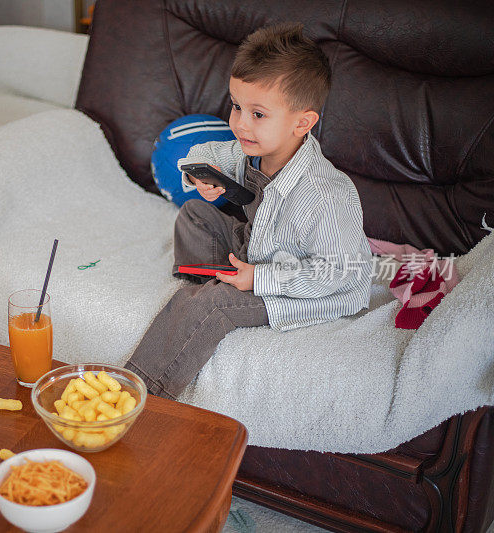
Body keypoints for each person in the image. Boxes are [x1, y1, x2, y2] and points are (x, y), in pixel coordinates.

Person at [125, 22, 372, 400]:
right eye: (237, 106)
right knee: (195, 214)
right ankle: (209, 281)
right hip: (258, 247)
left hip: (301, 284)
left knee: (214, 304)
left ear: (302, 123)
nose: (240, 123)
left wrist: (260, 279)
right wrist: (200, 178)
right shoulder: (248, 150)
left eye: (258, 114)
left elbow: (338, 272)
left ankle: (140, 393)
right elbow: (202, 154)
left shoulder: (326, 196)